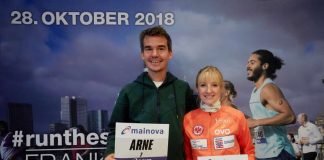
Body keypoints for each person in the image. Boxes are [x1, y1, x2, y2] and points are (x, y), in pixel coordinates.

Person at [104, 26, 195, 160]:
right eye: (148, 49)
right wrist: (110, 152)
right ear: (142, 54)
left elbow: (197, 125)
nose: (154, 54)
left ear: (170, 53)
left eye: (161, 48)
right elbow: (115, 130)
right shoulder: (129, 91)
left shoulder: (183, 88)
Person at [183, 66, 255, 160]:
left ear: (221, 88)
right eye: (203, 85)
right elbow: (188, 156)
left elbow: (249, 152)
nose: (209, 90)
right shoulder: (188, 119)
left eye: (214, 85)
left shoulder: (237, 116)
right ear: (197, 88)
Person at [246, 49, 296, 159]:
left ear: (264, 66)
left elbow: (290, 116)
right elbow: (259, 119)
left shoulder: (268, 88)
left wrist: (256, 122)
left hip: (278, 152)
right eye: (248, 62)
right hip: (263, 153)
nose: (247, 66)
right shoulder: (255, 91)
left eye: (252, 62)